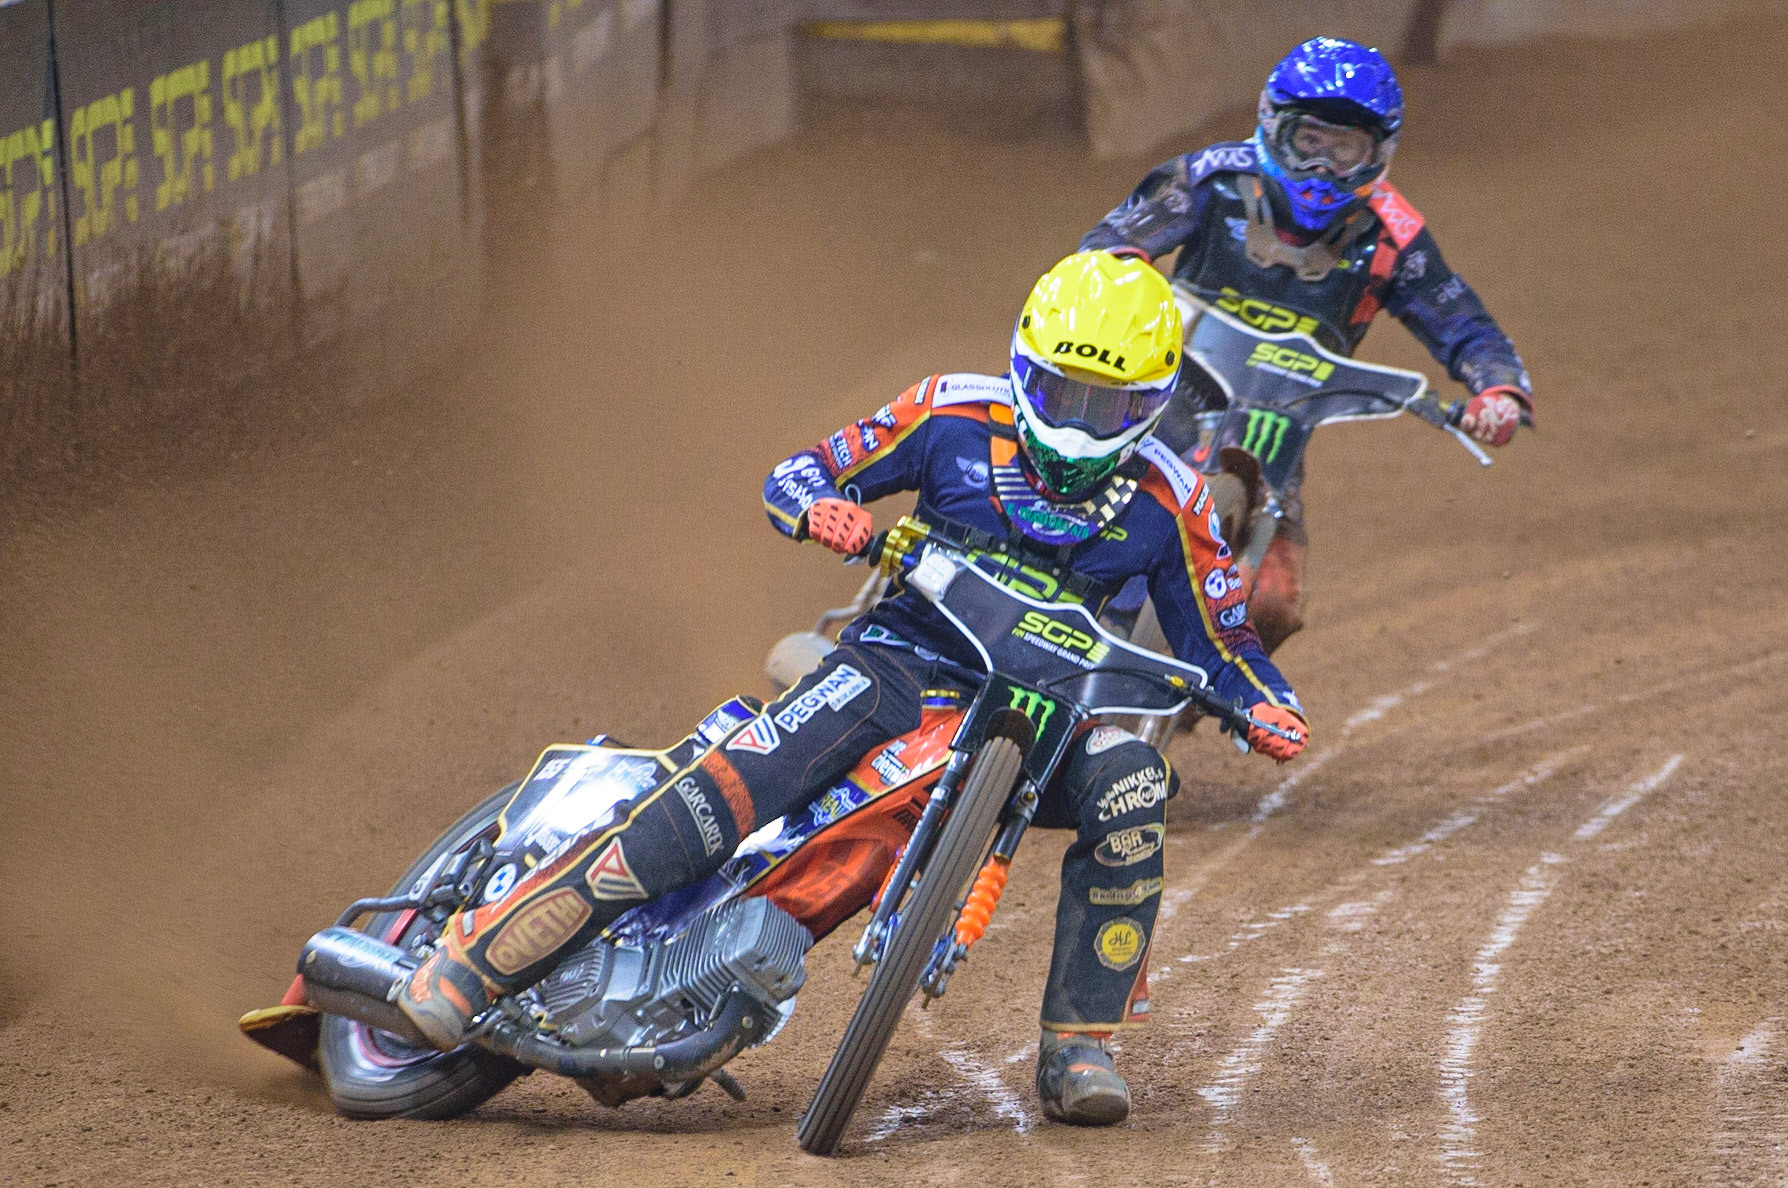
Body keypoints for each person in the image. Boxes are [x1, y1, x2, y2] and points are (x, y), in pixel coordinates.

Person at [395, 252, 1309, 1126]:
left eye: (1107, 404)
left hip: (1047, 718)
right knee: (735, 789)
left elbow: (1223, 642)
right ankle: (480, 956)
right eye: (1064, 389)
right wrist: (819, 507)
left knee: (1133, 784)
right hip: (895, 667)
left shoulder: (1174, 501)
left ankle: (1079, 1050)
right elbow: (801, 470)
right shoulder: (948, 414)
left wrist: (1266, 700)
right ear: (1025, 364)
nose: (1077, 422)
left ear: (1152, 405)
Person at [1080, 36, 1532, 653]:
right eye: (1310, 142)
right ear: (1273, 125)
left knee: (1272, 604)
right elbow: (1113, 237)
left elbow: (1460, 318)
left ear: (1378, 154)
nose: (1323, 168)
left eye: (1343, 150)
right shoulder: (1210, 178)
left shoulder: (1394, 234)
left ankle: (1179, 701)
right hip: (1166, 389)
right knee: (1063, 502)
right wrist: (1123, 265)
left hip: (1278, 424)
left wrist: (1498, 386)